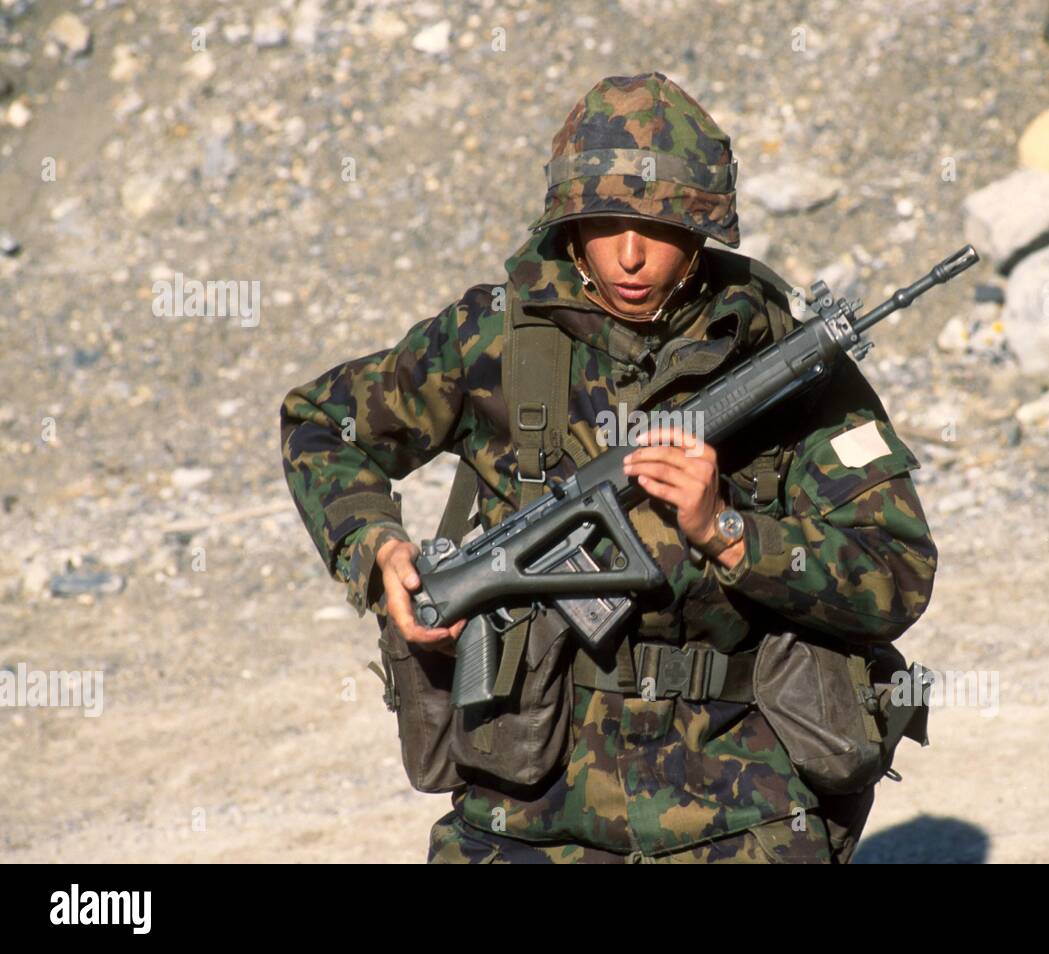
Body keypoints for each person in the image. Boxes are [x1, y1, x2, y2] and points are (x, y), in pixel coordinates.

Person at [280, 71, 937, 863]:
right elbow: (323, 425)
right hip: (527, 800)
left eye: (658, 229)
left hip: (743, 812)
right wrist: (376, 549)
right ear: (568, 223)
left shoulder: (782, 362)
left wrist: (730, 535)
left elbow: (894, 574)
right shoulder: (493, 339)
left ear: (701, 231)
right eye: (605, 223)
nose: (630, 256)